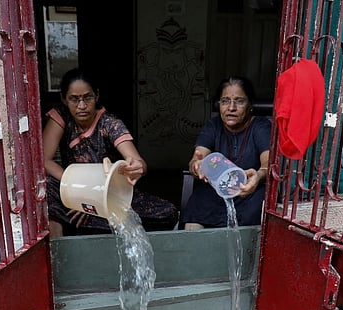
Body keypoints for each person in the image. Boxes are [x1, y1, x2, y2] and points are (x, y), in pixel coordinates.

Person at [43, 68, 178, 237]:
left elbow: (136, 160)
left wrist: (137, 167)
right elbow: (45, 160)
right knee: (46, 186)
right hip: (72, 191)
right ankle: (67, 240)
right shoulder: (62, 116)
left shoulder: (109, 123)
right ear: (64, 99)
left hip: (109, 194)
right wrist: (80, 195)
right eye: (74, 99)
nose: (82, 106)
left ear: (97, 96)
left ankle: (93, 219)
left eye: (88, 97)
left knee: (168, 213)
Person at [183, 76, 271, 229]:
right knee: (194, 217)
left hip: (249, 191)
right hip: (216, 191)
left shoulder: (261, 126)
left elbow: (267, 164)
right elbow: (197, 158)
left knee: (255, 218)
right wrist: (197, 165)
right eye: (225, 101)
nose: (231, 108)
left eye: (239, 101)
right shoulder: (214, 126)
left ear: (250, 105)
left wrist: (258, 176)